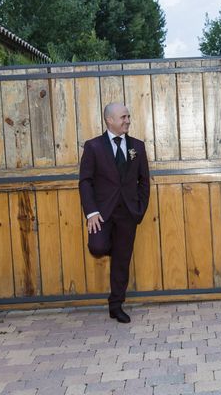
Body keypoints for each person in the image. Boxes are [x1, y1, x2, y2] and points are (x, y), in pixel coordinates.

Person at [79, 102, 150, 323]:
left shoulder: (137, 146)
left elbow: (144, 181)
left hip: (128, 212)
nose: (127, 120)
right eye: (123, 117)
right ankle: (110, 245)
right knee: (97, 247)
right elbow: (85, 181)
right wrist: (91, 212)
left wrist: (140, 208)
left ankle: (116, 305)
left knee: (122, 260)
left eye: (128, 116)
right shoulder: (93, 147)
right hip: (102, 213)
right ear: (109, 120)